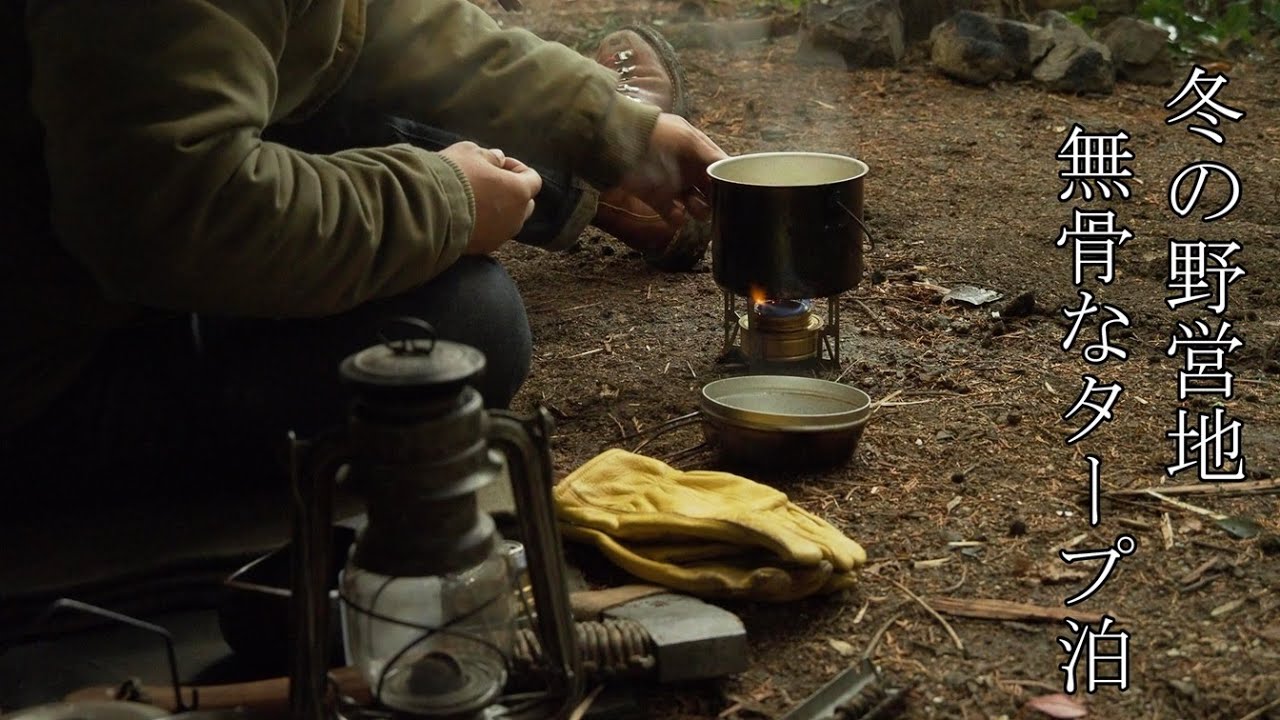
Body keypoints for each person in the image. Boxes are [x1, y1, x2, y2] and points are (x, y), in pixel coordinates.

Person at [1, 0, 727, 499]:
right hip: (45, 385)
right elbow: (165, 214)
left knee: (348, 93)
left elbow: (380, 24)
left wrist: (616, 126)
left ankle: (608, 193)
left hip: (79, 255)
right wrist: (447, 200)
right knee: (462, 329)